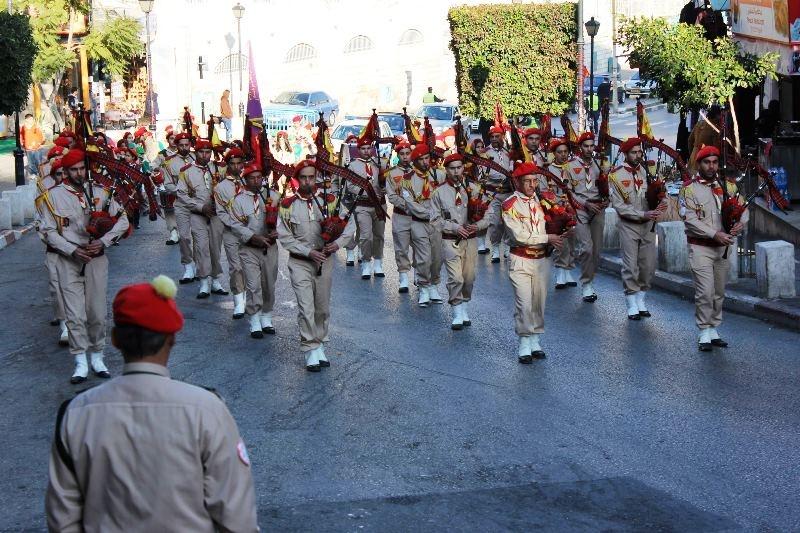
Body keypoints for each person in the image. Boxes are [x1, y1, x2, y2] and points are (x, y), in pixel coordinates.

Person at [45, 275, 258, 532]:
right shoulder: (207, 409)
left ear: (114, 340)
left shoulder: (76, 413)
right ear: (172, 339)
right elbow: (237, 518)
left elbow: (62, 519)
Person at [38, 149, 130, 383]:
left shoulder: (100, 192)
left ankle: (98, 357)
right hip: (68, 260)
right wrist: (71, 249)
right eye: (73, 170)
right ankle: (80, 361)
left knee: (97, 313)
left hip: (96, 259)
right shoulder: (53, 196)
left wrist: (103, 241)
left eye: (82, 168)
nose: (79, 173)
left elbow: (122, 221)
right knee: (75, 314)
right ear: (66, 172)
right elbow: (48, 231)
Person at [277, 160, 355, 371]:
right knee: (306, 307)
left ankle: (319, 342)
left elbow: (349, 226)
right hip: (300, 262)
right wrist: (307, 251)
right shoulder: (287, 206)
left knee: (322, 307)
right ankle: (310, 347)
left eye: (312, 177)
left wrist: (336, 244)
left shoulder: (329, 201)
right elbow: (285, 237)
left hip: (324, 261)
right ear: (297, 179)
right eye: (304, 177)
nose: (308, 181)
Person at [679, 146, 748, 351]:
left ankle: (713, 328)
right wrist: (714, 233)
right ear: (699, 164)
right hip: (701, 247)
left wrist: (741, 223)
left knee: (719, 291)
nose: (711, 166)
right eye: (707, 162)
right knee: (705, 291)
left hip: (723, 248)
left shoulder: (729, 187)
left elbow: (743, 209)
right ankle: (703, 331)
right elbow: (690, 220)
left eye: (715, 162)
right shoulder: (688, 189)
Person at [502, 162, 565, 363]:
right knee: (524, 302)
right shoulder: (510, 204)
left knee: (539, 301)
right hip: (521, 259)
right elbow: (519, 235)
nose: (532, 185)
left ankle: (535, 338)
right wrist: (548, 238)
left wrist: (563, 228)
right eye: (527, 181)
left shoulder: (542, 201)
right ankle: (524, 341)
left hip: (542, 260)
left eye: (535, 181)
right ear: (518, 182)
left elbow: (553, 221)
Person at [431, 153, 492, 329]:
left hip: (471, 240)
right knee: (455, 277)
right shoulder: (439, 192)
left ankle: (464, 306)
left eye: (459, 167)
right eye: (452, 168)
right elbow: (435, 219)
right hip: (450, 241)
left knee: (469, 277)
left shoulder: (473, 188)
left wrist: (478, 225)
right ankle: (457, 311)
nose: (456, 171)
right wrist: (454, 227)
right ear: (446, 170)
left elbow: (488, 214)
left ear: (463, 168)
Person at [608, 137, 667, 320]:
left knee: (648, 266)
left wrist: (662, 201)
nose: (637, 155)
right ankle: (632, 302)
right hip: (629, 225)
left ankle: (642, 298)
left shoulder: (647, 171)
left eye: (639, 152)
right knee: (630, 265)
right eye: (633, 152)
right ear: (625, 154)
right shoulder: (615, 175)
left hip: (648, 226)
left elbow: (658, 194)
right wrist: (643, 215)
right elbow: (619, 205)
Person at [386, 143, 444, 306]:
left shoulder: (438, 175)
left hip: (435, 224)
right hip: (414, 219)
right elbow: (406, 202)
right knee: (419, 255)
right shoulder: (406, 179)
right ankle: (420, 285)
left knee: (437, 257)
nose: (426, 162)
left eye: (427, 158)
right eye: (422, 159)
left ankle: (433, 285)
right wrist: (430, 213)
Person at [229, 164, 281, 338]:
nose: (256, 181)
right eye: (252, 178)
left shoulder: (273, 196)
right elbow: (235, 225)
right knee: (253, 285)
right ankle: (255, 318)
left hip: (270, 248)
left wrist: (278, 231)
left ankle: (267, 315)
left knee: (269, 284)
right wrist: (253, 237)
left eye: (259, 177)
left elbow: (285, 218)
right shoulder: (238, 200)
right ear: (245, 179)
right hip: (249, 248)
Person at [176, 139, 227, 298]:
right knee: (201, 247)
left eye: (208, 152)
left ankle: (216, 280)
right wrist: (200, 207)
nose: (205, 155)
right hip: (197, 214)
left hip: (216, 214)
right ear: (195, 153)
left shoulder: (218, 168)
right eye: (201, 152)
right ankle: (204, 281)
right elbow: (181, 194)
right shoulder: (186, 171)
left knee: (215, 248)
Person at [567, 132, 608, 302]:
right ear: (580, 147)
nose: (589, 149)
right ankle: (586, 284)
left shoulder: (600, 164)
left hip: (598, 208)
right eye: (586, 146)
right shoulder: (570, 166)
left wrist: (607, 199)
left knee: (597, 251)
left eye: (592, 146)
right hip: (581, 209)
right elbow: (569, 191)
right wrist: (585, 204)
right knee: (586, 248)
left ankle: (591, 278)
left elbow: (607, 185)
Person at [34, 159, 69, 346]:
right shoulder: (46, 198)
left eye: (66, 173)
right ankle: (64, 325)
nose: (63, 177)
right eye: (58, 174)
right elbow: (40, 223)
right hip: (55, 249)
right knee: (56, 286)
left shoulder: (82, 195)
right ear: (53, 176)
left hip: (77, 252)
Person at [214, 147, 247, 319]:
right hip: (231, 232)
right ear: (228, 165)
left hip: (250, 233)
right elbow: (221, 212)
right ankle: (238, 301)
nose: (236, 167)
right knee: (236, 267)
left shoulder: (249, 182)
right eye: (232, 164)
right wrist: (235, 224)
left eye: (238, 163)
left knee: (249, 267)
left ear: (242, 164)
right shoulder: (220, 187)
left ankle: (248, 297)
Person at [346, 139, 386, 279]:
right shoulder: (353, 165)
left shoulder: (380, 163)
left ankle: (378, 263)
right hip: (363, 205)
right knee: (366, 236)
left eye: (369, 148)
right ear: (358, 150)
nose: (366, 151)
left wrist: (384, 188)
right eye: (363, 148)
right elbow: (350, 186)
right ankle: (366, 263)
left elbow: (389, 182)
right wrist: (366, 191)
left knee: (379, 235)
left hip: (379, 205)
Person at [546, 138, 578, 289]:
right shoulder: (548, 170)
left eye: (565, 151)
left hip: (572, 208)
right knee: (560, 241)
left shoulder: (572, 167)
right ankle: (560, 272)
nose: (563, 155)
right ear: (554, 154)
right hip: (556, 209)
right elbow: (545, 191)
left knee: (571, 240)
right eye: (560, 152)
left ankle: (568, 271)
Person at [384, 141, 415, 293]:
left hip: (418, 218)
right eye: (402, 154)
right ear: (398, 155)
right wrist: (410, 206)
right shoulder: (391, 173)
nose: (405, 157)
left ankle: (419, 274)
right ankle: (403, 277)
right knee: (401, 248)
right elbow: (391, 196)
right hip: (402, 215)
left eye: (407, 154)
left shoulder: (420, 172)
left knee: (420, 247)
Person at [162, 133, 195, 269]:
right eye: (181, 145)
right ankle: (188, 267)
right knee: (184, 238)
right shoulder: (169, 162)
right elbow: (168, 184)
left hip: (199, 204)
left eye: (186, 145)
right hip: (181, 203)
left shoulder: (196, 158)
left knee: (200, 240)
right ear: (176, 145)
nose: (184, 148)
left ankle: (201, 267)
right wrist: (181, 193)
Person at [484, 126, 514, 263]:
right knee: (495, 222)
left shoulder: (509, 152)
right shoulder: (485, 153)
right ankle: (495, 247)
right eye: (492, 137)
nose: (495, 139)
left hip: (509, 192)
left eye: (497, 136)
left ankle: (508, 245)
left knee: (509, 222)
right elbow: (485, 174)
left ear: (502, 136)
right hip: (494, 192)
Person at [687, 105, 721, 171]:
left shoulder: (699, 123)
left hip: (694, 156)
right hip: (705, 159)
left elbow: (689, 140)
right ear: (717, 115)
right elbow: (716, 148)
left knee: (693, 179)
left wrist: (692, 154)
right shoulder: (714, 129)